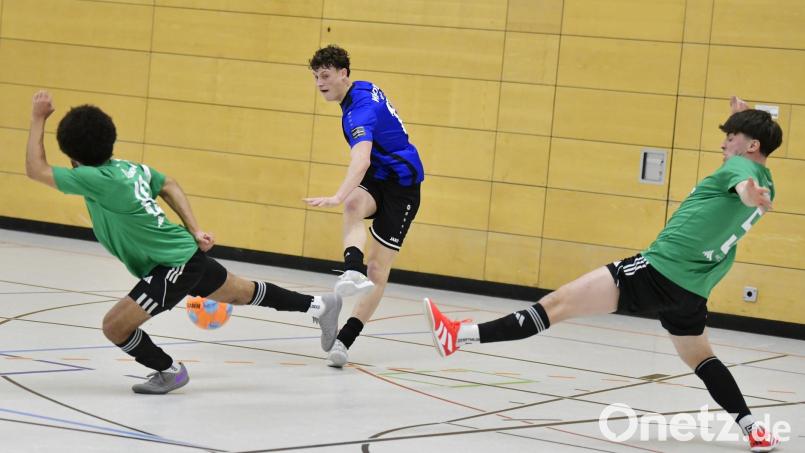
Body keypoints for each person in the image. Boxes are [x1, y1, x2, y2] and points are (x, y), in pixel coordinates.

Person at [424, 96, 782, 452]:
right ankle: (752, 427)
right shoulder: (768, 180)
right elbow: (747, 185)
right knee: (701, 358)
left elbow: (742, 188)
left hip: (656, 271)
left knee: (556, 305)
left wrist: (748, 192)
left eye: (732, 137)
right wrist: (746, 121)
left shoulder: (739, 172)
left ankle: (458, 336)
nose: (724, 143)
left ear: (751, 145)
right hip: (692, 289)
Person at [24, 91, 342, 394]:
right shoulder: (128, 168)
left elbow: (36, 169)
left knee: (114, 327)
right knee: (242, 293)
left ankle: (169, 370)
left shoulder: (93, 179)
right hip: (183, 255)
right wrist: (195, 229)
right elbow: (169, 184)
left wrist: (39, 118)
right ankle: (320, 304)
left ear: (72, 154)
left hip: (171, 266)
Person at [304, 45, 424, 367]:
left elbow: (361, 159)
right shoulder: (362, 89)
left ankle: (346, 339)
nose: (319, 83)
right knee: (356, 204)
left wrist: (336, 195)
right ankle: (351, 270)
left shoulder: (359, 112)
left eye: (325, 75)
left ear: (344, 74)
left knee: (378, 270)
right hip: (380, 176)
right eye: (316, 77)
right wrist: (348, 197)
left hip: (403, 188)